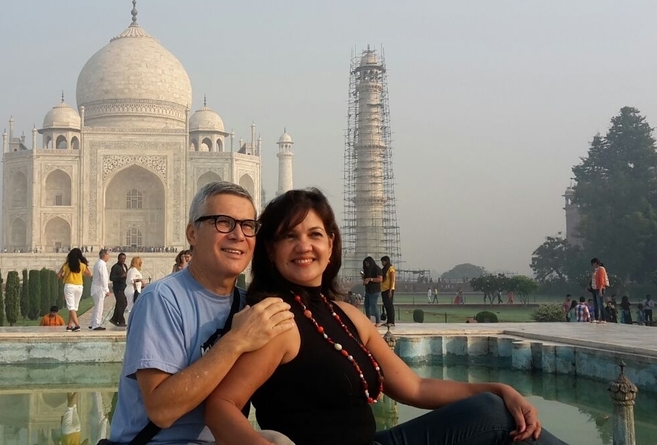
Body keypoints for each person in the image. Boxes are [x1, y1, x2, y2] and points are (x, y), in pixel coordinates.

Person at [203, 188, 566, 445]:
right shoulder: (276, 319)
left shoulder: (345, 314)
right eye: (289, 236)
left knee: (497, 412)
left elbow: (415, 388)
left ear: (331, 244)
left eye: (315, 234)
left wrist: (502, 389)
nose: (304, 246)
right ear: (270, 250)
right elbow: (222, 406)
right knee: (495, 418)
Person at [107, 181, 294, 444]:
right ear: (192, 233)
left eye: (247, 226)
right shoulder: (163, 299)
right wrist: (236, 341)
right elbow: (162, 411)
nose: (238, 235)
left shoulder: (248, 305)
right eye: (223, 222)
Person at [58, 248, 91, 332]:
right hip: (79, 286)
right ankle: (69, 326)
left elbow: (58, 275)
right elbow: (89, 274)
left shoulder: (67, 265)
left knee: (71, 307)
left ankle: (77, 325)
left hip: (69, 286)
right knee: (74, 307)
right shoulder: (82, 265)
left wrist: (64, 278)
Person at [90, 249, 111, 331]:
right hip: (99, 288)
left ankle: (92, 323)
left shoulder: (98, 263)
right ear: (104, 255)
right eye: (108, 255)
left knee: (97, 306)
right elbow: (103, 278)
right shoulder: (102, 265)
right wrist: (107, 290)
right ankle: (96, 324)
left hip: (96, 288)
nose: (109, 257)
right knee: (99, 307)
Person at [361, 256, 382, 326]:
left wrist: (370, 279)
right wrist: (364, 277)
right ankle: (368, 320)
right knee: (367, 305)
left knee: (373, 306)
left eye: (367, 264)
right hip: (368, 290)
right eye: (365, 264)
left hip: (375, 290)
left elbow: (380, 279)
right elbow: (366, 279)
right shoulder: (367, 269)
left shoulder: (376, 269)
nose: (367, 265)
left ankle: (378, 321)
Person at [109, 253, 129, 327]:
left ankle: (114, 319)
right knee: (122, 304)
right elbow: (111, 278)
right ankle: (121, 321)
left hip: (123, 287)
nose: (123, 260)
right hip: (118, 288)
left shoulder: (125, 266)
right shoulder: (115, 267)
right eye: (121, 258)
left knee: (121, 303)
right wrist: (120, 276)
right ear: (118, 258)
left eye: (124, 259)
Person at [589, 258, 608, 323]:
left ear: (595, 263)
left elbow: (601, 280)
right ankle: (596, 318)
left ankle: (603, 319)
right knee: (595, 304)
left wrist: (600, 289)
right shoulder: (596, 270)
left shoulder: (601, 269)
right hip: (594, 289)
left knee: (600, 304)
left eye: (593, 264)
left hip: (599, 289)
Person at [380, 255, 396, 327]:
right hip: (384, 289)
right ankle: (388, 321)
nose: (382, 263)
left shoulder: (390, 269)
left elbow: (392, 280)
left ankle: (391, 321)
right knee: (386, 305)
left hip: (389, 289)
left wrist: (390, 290)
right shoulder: (384, 269)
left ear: (386, 261)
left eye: (383, 262)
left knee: (389, 306)